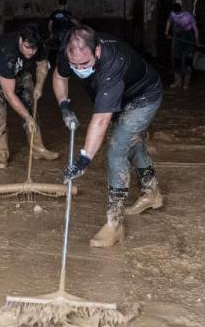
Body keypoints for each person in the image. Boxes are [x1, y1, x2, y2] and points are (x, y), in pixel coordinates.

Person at [56, 26, 164, 248]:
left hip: (144, 96)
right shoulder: (71, 51)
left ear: (96, 52)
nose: (78, 69)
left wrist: (84, 160)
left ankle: (114, 224)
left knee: (116, 148)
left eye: (84, 65)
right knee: (130, 142)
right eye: (74, 65)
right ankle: (151, 191)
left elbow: (101, 120)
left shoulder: (113, 63)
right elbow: (59, 75)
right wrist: (64, 105)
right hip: (120, 98)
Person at [0, 24, 59, 169]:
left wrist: (39, 85)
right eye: (27, 47)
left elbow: (42, 65)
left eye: (34, 49)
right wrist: (27, 118)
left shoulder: (38, 44)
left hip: (19, 71)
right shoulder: (6, 52)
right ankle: (2, 155)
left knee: (31, 106)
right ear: (21, 40)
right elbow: (9, 94)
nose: (31, 52)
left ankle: (37, 149)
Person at [164, 3, 198, 89]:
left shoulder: (188, 16)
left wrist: (196, 41)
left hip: (189, 37)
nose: (177, 15)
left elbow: (195, 29)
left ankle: (187, 81)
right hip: (178, 36)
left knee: (188, 59)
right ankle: (178, 80)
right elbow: (169, 21)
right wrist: (166, 32)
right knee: (176, 58)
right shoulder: (172, 13)